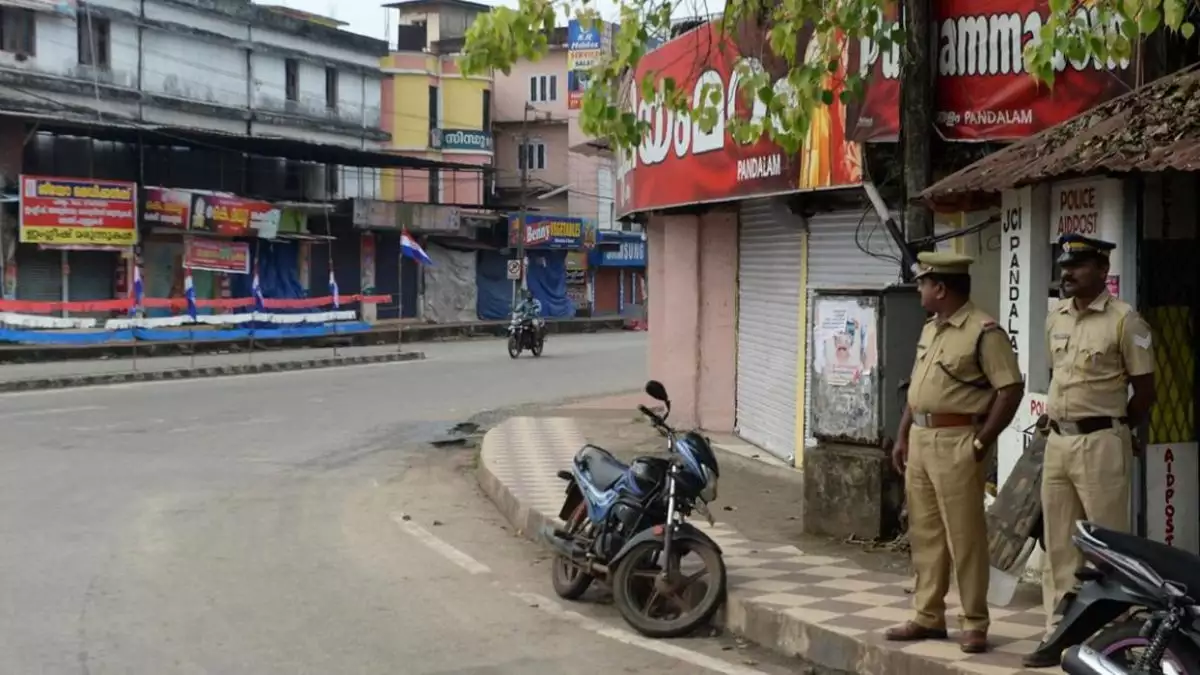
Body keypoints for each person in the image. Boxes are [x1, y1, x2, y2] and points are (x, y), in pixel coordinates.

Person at [1023, 234, 1156, 668]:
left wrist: (1117, 429)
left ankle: (1109, 639)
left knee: (1107, 546)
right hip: (1058, 441)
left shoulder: (1125, 320)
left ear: (1102, 270)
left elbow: (1145, 391)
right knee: (1059, 544)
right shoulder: (1055, 317)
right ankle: (1057, 634)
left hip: (1101, 442)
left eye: (1077, 266)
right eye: (1064, 266)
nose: (1067, 273)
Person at [885, 251, 1025, 654]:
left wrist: (982, 441)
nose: (919, 290)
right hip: (923, 441)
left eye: (924, 283)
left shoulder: (984, 331)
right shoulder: (932, 329)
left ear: (941, 288)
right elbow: (918, 388)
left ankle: (974, 622)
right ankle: (928, 616)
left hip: (958, 441)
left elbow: (1010, 389)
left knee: (965, 536)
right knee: (925, 532)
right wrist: (902, 435)